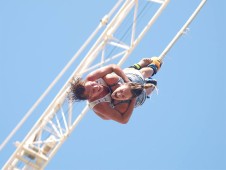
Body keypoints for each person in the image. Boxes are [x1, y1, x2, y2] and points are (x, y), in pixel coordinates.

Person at [69, 57, 162, 124]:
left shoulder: (91, 77)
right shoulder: (99, 106)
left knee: (111, 77)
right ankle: (148, 88)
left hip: (125, 82)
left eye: (93, 84)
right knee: (125, 104)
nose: (97, 87)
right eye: (93, 91)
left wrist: (126, 81)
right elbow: (123, 120)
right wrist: (133, 98)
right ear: (90, 98)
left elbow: (112, 67)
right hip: (120, 102)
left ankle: (142, 67)